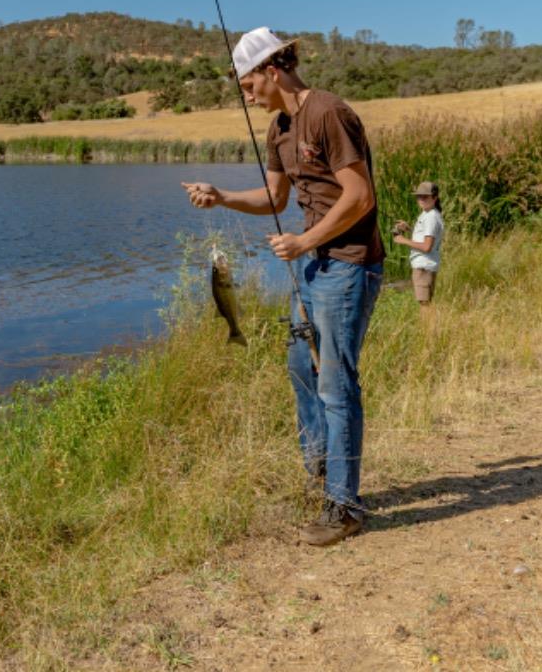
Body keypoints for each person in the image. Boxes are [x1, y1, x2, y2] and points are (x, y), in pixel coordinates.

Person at [181, 27, 384, 547]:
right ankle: (321, 476)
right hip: (313, 265)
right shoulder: (279, 128)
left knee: (336, 385)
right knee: (301, 369)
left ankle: (344, 507)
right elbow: (274, 197)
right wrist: (221, 196)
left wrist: (304, 240)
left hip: (347, 265)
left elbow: (359, 197)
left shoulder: (328, 113)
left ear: (272, 70)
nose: (245, 93)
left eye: (247, 82)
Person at [392, 182, 444, 312]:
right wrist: (409, 229)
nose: (421, 199)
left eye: (425, 196)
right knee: (425, 303)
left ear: (434, 197)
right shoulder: (428, 214)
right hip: (425, 265)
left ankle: (427, 331)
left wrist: (403, 240)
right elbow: (425, 237)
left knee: (424, 305)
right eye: (419, 196)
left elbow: (427, 246)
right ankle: (429, 330)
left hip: (423, 266)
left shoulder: (431, 217)